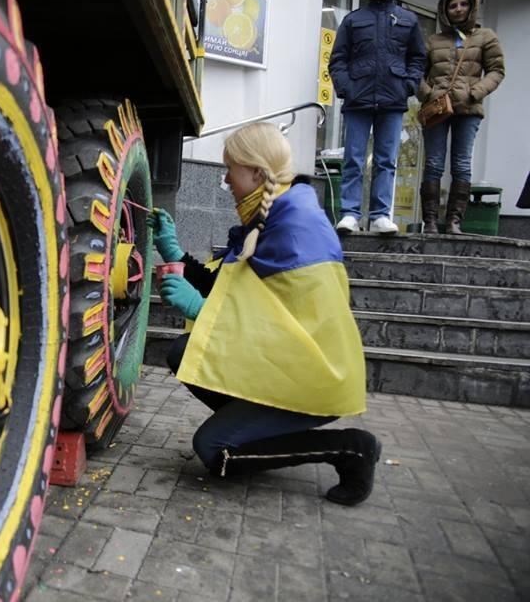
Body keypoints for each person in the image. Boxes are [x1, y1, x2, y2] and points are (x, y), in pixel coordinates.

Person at [148, 122, 380, 506]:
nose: (225, 180)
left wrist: (198, 309)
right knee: (183, 351)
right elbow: (228, 289)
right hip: (290, 367)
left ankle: (350, 448)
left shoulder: (294, 229)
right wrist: (174, 252)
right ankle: (251, 427)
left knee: (213, 450)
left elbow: (280, 334)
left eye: (230, 170)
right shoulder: (275, 211)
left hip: (311, 376)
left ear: (256, 172)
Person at [328, 0, 426, 235]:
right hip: (357, 98)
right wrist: (346, 87)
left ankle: (380, 216)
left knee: (386, 160)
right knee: (354, 159)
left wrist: (408, 85)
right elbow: (337, 60)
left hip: (392, 100)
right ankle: (350, 214)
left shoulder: (408, 20)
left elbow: (418, 59)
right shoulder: (353, 20)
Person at [418, 0, 505, 234]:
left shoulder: (486, 37)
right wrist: (429, 94)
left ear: (472, 7)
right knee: (433, 163)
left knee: (461, 164)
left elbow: (497, 70)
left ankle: (454, 221)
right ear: (445, 10)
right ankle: (431, 221)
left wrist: (475, 93)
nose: (458, 9)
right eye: (452, 5)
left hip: (468, 110)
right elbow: (415, 73)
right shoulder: (433, 41)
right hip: (436, 108)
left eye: (463, 4)